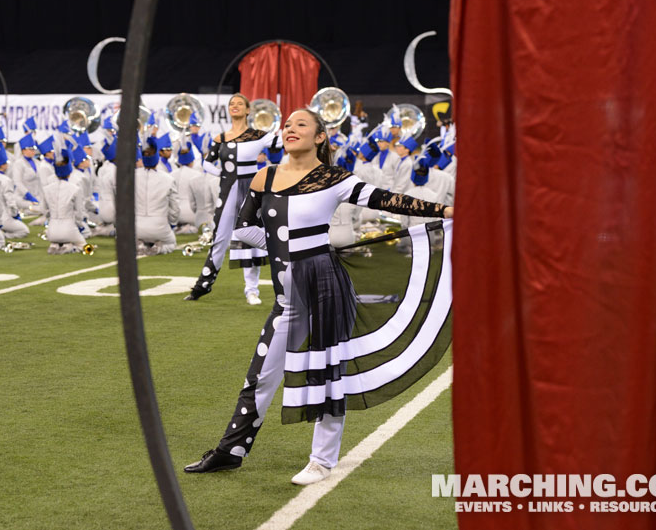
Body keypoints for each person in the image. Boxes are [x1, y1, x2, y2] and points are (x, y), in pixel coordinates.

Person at [184, 108, 453, 484]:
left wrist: (445, 210)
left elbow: (387, 200)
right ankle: (231, 450)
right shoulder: (266, 175)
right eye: (288, 125)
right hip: (287, 298)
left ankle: (322, 461)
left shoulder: (335, 179)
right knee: (260, 376)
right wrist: (285, 250)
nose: (290, 129)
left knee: (327, 371)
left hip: (325, 286)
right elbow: (244, 229)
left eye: (301, 125)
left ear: (320, 137)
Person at [184, 93, 274, 305]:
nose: (234, 106)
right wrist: (221, 174)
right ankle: (203, 285)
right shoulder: (221, 138)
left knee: (251, 237)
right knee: (220, 237)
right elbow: (207, 162)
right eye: (231, 104)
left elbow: (284, 144)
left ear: (248, 110)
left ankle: (252, 290)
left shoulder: (259, 135)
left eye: (239, 104)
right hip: (227, 190)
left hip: (252, 190)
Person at [135, 141, 180, 255]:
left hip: (136, 227)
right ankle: (159, 248)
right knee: (171, 243)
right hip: (159, 226)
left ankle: (139, 244)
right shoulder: (168, 179)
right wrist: (172, 224)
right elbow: (175, 208)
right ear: (157, 159)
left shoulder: (131, 177)